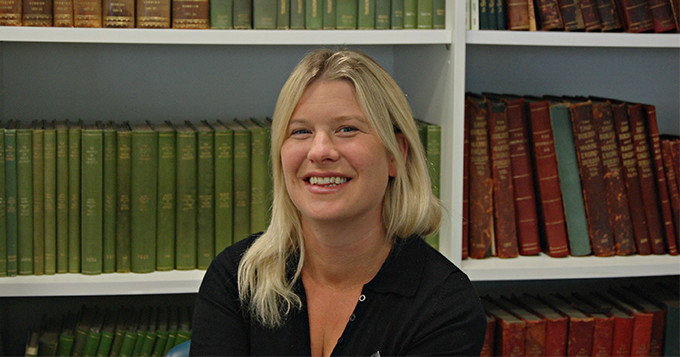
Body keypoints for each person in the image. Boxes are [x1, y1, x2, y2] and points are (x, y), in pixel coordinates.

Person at [190, 48, 487, 356]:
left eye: (347, 129)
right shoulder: (236, 278)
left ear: (395, 155)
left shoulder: (446, 305)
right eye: (301, 131)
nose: (319, 151)